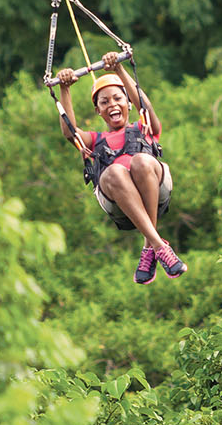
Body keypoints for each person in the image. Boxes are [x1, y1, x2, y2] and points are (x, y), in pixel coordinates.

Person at [54, 53, 185, 284]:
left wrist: (119, 69)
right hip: (116, 199)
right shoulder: (95, 140)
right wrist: (64, 89)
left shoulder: (144, 126)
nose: (112, 104)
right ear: (98, 111)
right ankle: (158, 246)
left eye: (118, 98)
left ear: (129, 103)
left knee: (140, 161)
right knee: (114, 171)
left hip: (156, 186)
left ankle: (151, 246)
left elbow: (146, 106)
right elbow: (70, 132)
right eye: (104, 102)